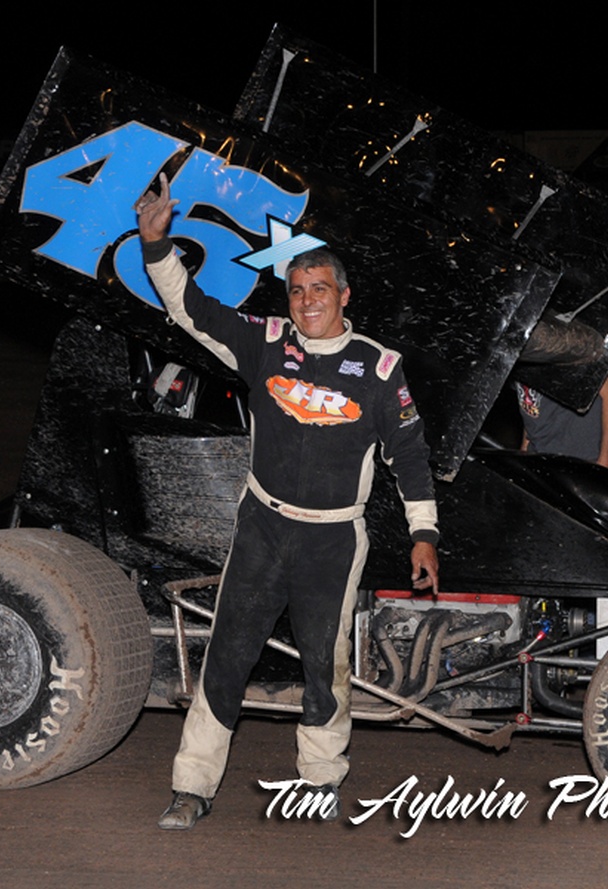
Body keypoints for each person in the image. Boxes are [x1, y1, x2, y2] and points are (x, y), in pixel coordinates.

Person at [136, 173, 439, 830]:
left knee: (326, 664)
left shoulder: (380, 368)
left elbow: (409, 457)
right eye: (297, 290)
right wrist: (156, 246)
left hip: (334, 541)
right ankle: (192, 783)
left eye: (319, 290)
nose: (306, 302)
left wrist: (425, 533)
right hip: (263, 528)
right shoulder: (265, 341)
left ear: (344, 295)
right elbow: (193, 309)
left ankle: (319, 779)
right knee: (228, 652)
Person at [515, 373, 608, 469]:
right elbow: (531, 407)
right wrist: (524, 452)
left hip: (581, 461)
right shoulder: (516, 357)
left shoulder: (569, 351)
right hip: (540, 456)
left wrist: (605, 463)